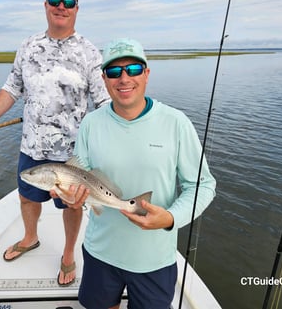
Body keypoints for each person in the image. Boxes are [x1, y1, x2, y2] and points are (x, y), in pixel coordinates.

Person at [0, 0, 110, 286]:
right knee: (27, 198)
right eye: (55, 1)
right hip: (31, 147)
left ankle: (69, 254)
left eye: (68, 3)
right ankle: (30, 238)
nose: (61, 7)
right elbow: (11, 87)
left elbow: (104, 102)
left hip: (72, 156)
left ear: (76, 9)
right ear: (45, 5)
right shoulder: (29, 46)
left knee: (72, 207)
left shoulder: (89, 53)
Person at [62, 38, 216, 308]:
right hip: (100, 252)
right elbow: (82, 175)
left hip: (154, 259)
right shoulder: (91, 123)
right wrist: (71, 195)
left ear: (146, 73)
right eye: (114, 71)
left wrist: (171, 217)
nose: (124, 79)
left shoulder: (176, 122)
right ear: (104, 79)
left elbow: (202, 185)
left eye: (133, 69)